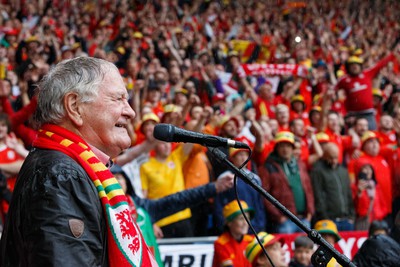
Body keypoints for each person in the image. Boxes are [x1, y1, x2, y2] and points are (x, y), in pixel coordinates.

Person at [0, 57, 157, 266]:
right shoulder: (60, 174)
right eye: (118, 99)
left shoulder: (63, 168)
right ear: (74, 106)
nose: (130, 111)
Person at [111, 164, 234, 267]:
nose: (116, 181)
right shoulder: (102, 211)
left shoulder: (143, 208)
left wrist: (213, 188)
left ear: (127, 182)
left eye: (119, 177)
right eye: (112, 178)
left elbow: (179, 200)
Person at [258, 131, 314, 233]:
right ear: (276, 148)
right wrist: (278, 217)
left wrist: (310, 212)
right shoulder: (268, 167)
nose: (285, 149)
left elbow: (309, 189)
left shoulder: (300, 165)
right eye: (282, 146)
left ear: (293, 148)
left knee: (307, 248)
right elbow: (264, 195)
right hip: (285, 221)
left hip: (304, 219)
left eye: (288, 146)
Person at [310, 143, 355, 231]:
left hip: (346, 220)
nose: (334, 161)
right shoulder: (318, 171)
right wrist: (325, 217)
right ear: (324, 156)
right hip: (329, 220)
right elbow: (318, 196)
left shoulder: (343, 171)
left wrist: (351, 216)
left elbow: (348, 194)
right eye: (331, 157)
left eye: (336, 157)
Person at [213, 200, 254, 267]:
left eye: (247, 218)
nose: (245, 223)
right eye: (241, 219)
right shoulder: (221, 243)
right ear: (229, 223)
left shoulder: (251, 241)